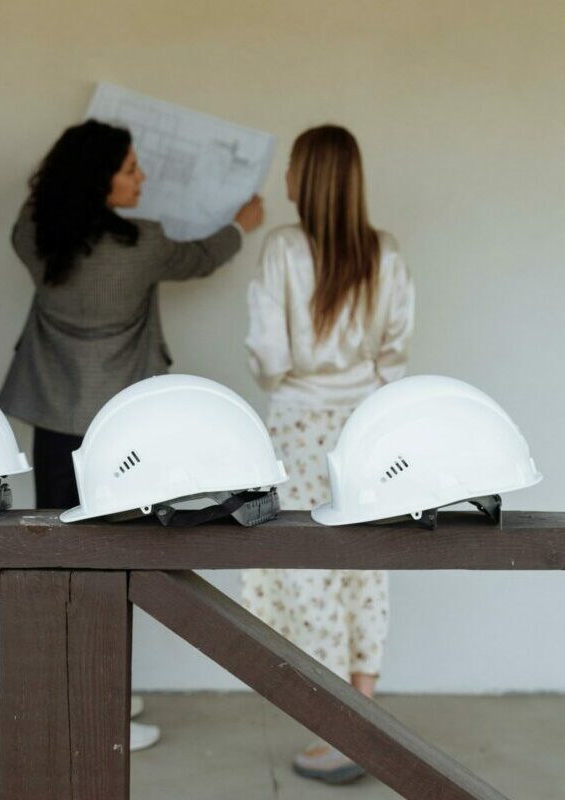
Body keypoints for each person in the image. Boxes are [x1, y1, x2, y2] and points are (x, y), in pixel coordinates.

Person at [0, 118, 264, 750]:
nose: (143, 177)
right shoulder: (143, 243)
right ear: (100, 179)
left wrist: (62, 181)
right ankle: (98, 706)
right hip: (120, 430)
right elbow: (202, 258)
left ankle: (70, 690)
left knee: (56, 555)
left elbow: (34, 211)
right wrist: (243, 224)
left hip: (53, 418)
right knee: (111, 560)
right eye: (129, 167)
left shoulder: (35, 237)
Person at [242, 125, 414, 785]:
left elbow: (269, 359)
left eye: (290, 165)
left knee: (301, 570)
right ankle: (361, 712)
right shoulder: (385, 253)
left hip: (297, 427)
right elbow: (394, 355)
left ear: (304, 177)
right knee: (365, 566)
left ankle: (335, 730)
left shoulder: (282, 249)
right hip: (365, 427)